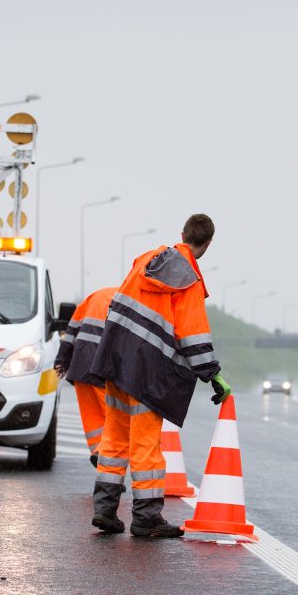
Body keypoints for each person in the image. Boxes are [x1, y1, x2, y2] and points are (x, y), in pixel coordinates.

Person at [88, 213, 231, 537]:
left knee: (113, 438)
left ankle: (105, 510)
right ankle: (147, 518)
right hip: (147, 372)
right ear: (208, 244)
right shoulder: (189, 281)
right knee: (145, 445)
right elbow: (193, 334)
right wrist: (213, 375)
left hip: (116, 360)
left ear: (182, 234)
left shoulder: (145, 261)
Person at [54, 286, 118, 468]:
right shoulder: (130, 300)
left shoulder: (93, 297)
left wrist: (62, 361)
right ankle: (110, 471)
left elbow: (70, 332)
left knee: (93, 418)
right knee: (113, 420)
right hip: (103, 370)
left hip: (80, 369)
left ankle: (98, 453)